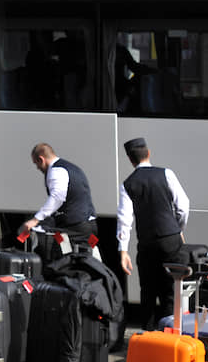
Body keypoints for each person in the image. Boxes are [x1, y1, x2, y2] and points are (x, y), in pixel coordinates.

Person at [116, 137, 190, 330]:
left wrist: (123, 251)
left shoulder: (127, 184)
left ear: (130, 160)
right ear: (148, 153)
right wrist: (178, 229)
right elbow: (183, 206)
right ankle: (170, 334)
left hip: (147, 244)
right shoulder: (166, 174)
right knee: (170, 291)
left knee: (148, 291)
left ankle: (147, 334)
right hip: (171, 240)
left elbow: (124, 219)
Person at [20, 143, 98, 256]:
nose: (37, 168)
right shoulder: (73, 168)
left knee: (62, 256)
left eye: (36, 164)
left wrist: (35, 220)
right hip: (90, 227)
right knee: (86, 257)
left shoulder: (56, 171)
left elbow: (57, 197)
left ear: (41, 159)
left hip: (74, 229)